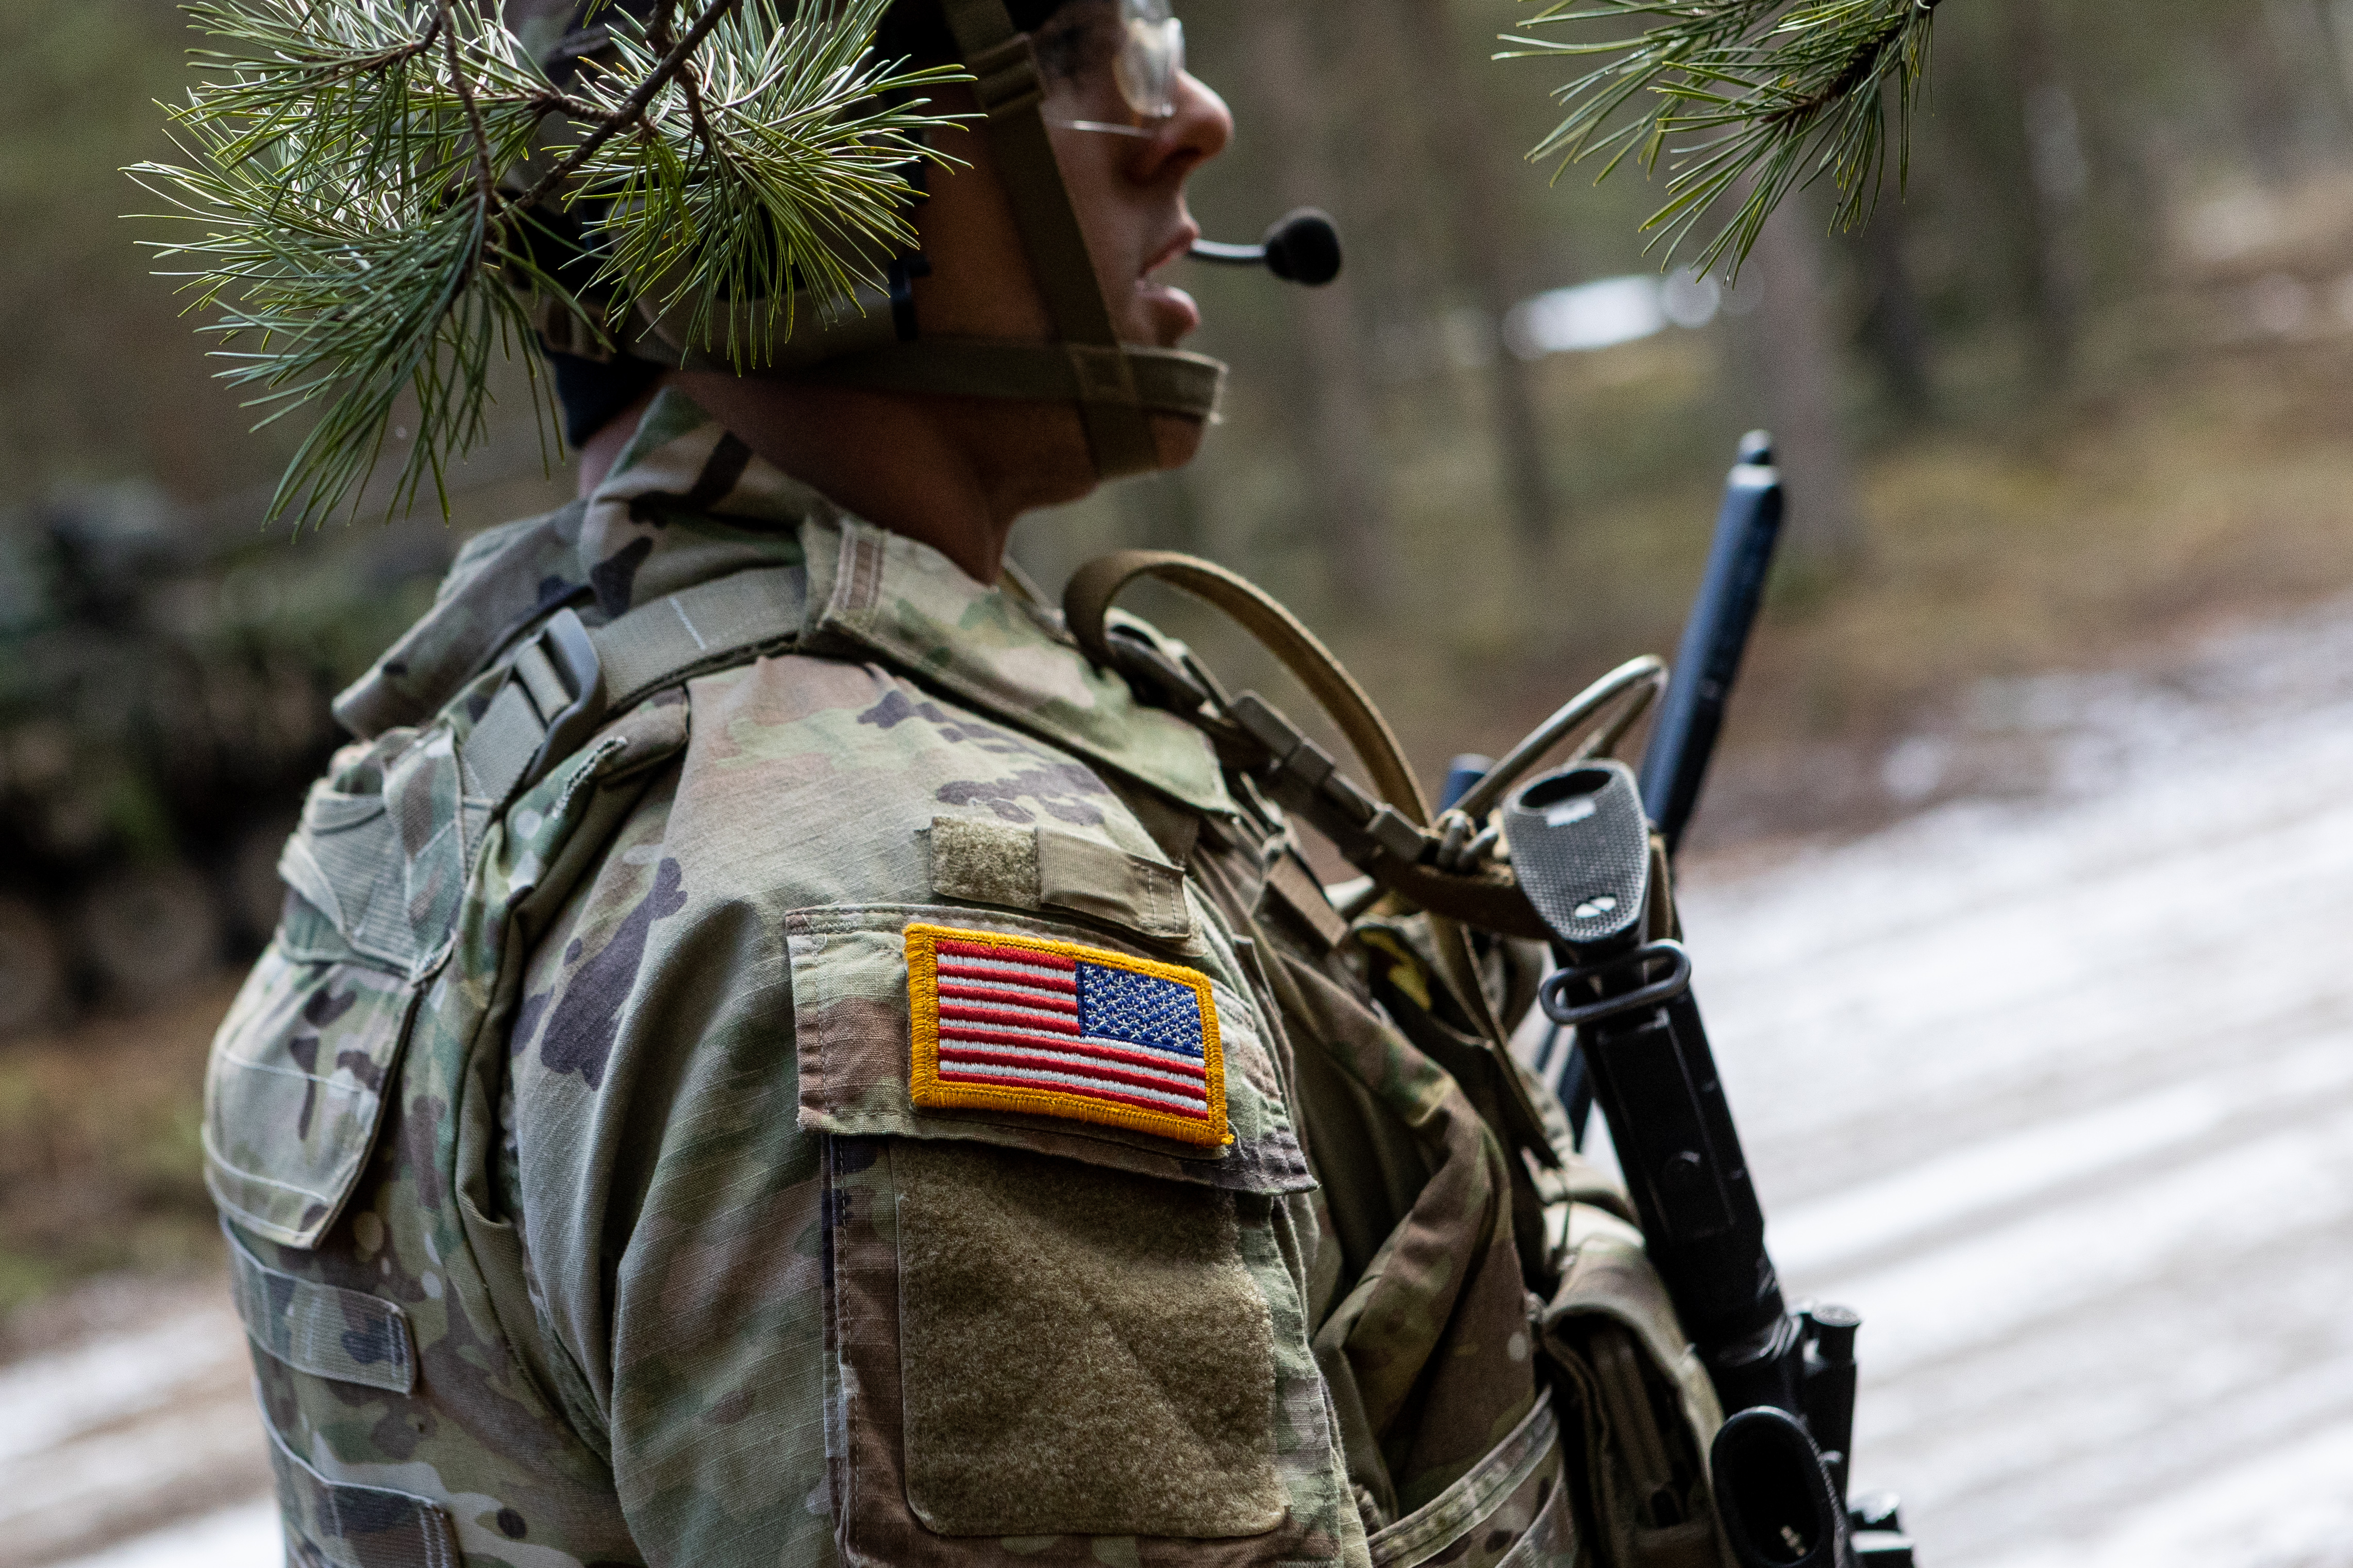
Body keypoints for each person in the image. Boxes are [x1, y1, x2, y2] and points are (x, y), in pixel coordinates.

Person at [203, 4, 1718, 1565]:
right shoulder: (912, 901)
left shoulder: (478, 774)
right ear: (805, 201)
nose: (1189, 115)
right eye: (1070, 48)